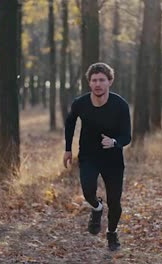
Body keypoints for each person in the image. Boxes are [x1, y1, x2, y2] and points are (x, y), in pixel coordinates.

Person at [63, 62, 131, 251]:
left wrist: (114, 142)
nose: (98, 84)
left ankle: (112, 233)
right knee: (88, 191)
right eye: (94, 80)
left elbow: (127, 136)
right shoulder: (80, 103)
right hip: (89, 156)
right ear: (89, 83)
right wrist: (68, 149)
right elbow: (70, 124)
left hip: (113, 159)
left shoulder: (120, 105)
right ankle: (97, 207)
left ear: (110, 81)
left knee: (115, 201)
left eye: (102, 80)